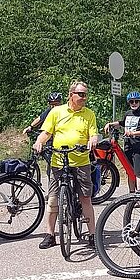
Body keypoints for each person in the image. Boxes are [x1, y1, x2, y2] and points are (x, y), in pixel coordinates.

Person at [33, 80, 99, 250]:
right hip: (59, 160)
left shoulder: (89, 114)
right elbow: (46, 133)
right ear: (71, 95)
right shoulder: (57, 112)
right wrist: (39, 143)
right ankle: (50, 235)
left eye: (86, 94)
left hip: (81, 160)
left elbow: (93, 134)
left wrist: (92, 141)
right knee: (53, 198)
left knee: (85, 197)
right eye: (81, 94)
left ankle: (92, 235)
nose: (84, 97)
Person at [102, 91, 140, 192]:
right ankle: (131, 194)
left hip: (138, 147)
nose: (134, 103)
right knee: (129, 172)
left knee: (138, 173)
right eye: (131, 102)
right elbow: (122, 123)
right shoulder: (128, 113)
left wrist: (134, 133)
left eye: (136, 101)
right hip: (128, 146)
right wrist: (110, 124)